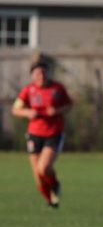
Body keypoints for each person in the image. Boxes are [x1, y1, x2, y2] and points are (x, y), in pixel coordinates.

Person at [11, 60, 72, 209]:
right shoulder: (28, 90)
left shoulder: (57, 88)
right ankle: (51, 201)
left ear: (48, 73)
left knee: (43, 167)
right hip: (34, 135)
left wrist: (56, 111)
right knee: (38, 177)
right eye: (37, 73)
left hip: (53, 133)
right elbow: (16, 109)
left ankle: (55, 184)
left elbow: (68, 105)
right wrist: (27, 112)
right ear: (32, 75)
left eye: (44, 72)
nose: (41, 76)